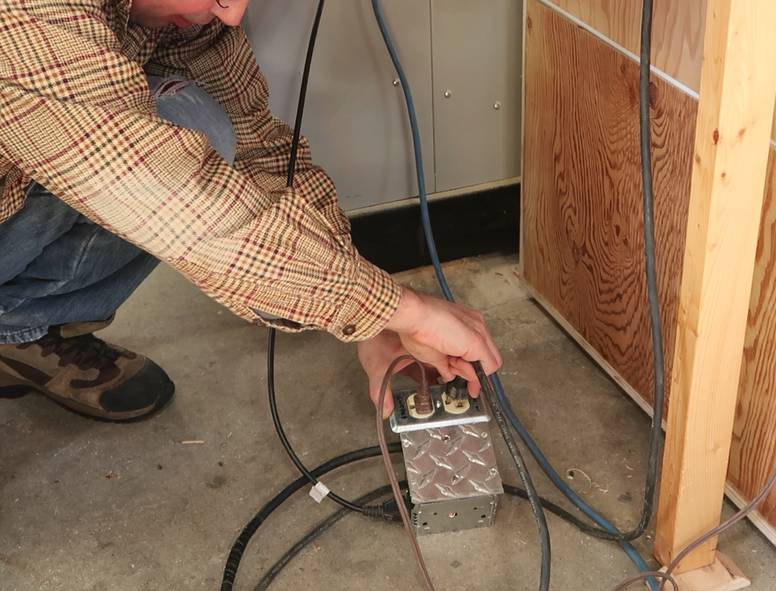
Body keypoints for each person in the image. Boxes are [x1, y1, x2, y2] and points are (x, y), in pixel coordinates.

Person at [0, 0, 502, 422]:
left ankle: (17, 330)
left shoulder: (189, 17)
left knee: (196, 122)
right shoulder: (28, 12)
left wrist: (376, 325)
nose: (234, 15)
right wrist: (399, 308)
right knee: (148, 170)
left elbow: (260, 150)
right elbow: (173, 197)